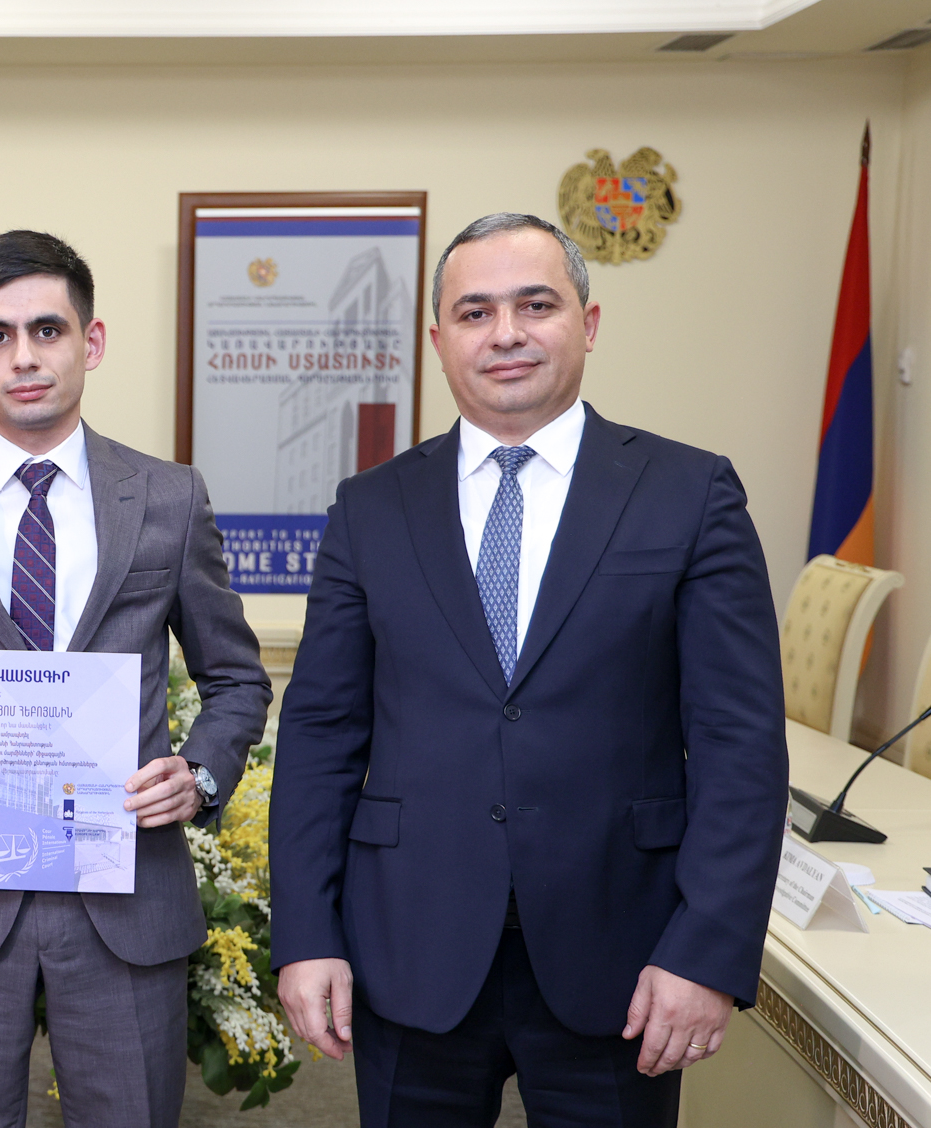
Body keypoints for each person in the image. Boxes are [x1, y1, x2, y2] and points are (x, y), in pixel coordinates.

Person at [270, 213, 789, 1127]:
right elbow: (320, 734)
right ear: (440, 340)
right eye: (475, 312)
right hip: (410, 946)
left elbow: (739, 743)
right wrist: (306, 934)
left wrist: (707, 951)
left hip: (625, 956)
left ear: (588, 323)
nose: (505, 333)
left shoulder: (689, 492)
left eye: (535, 305)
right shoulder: (370, 507)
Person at [0, 230, 271, 1128]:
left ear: (90, 341)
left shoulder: (169, 498)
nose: (24, 357)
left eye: (47, 330)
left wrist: (199, 773)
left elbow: (236, 679)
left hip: (125, 889)